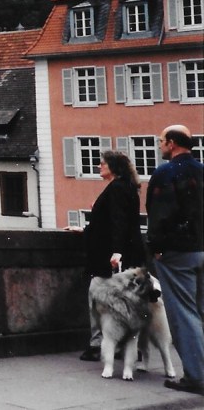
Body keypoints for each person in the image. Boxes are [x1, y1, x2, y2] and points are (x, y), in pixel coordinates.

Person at [146, 124, 204, 395]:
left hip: (178, 252)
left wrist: (156, 247)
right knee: (200, 311)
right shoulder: (201, 170)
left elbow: (159, 213)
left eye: (161, 141)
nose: (160, 146)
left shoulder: (165, 172)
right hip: (202, 247)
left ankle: (196, 376)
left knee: (183, 314)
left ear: (171, 143)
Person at [78, 151, 146, 362]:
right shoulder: (127, 187)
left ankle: (98, 344)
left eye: (103, 163)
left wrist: (117, 251)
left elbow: (118, 222)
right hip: (127, 253)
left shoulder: (116, 188)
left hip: (109, 257)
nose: (99, 166)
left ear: (113, 167)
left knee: (97, 296)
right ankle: (126, 346)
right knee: (124, 301)